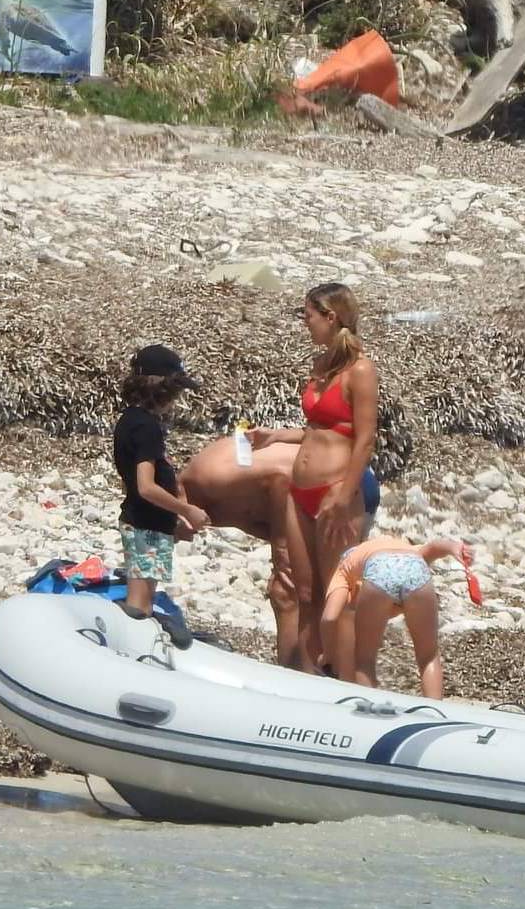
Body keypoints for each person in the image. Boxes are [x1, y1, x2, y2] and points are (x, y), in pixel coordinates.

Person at [248, 282, 379, 658]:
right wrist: (276, 436)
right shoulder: (320, 366)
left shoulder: (361, 370)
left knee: (337, 595)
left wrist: (343, 493)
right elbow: (319, 429)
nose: (306, 324)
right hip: (300, 491)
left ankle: (347, 678)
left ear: (330, 316)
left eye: (308, 316)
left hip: (336, 489)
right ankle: (309, 676)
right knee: (303, 592)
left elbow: (365, 439)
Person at [179, 433, 384, 668]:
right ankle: (301, 671)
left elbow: (280, 478)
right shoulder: (208, 506)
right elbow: (261, 516)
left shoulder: (209, 479)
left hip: (341, 486)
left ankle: (343, 676)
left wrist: (281, 550)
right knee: (288, 592)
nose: (174, 541)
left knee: (313, 591)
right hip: (310, 488)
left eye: (167, 533)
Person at [113, 344, 210, 614]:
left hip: (145, 521)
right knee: (140, 605)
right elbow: (146, 487)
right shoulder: (147, 428)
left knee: (142, 599)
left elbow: (136, 482)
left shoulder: (130, 420)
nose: (176, 398)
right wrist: (187, 510)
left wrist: (173, 520)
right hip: (146, 526)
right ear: (162, 389)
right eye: (176, 390)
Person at [321, 532, 473, 698]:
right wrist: (455, 547)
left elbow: (330, 617)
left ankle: (368, 708)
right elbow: (435, 547)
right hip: (416, 568)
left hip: (378, 570)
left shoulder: (344, 566)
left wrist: (328, 655)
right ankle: (435, 711)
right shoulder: (406, 548)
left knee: (364, 660)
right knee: (428, 656)